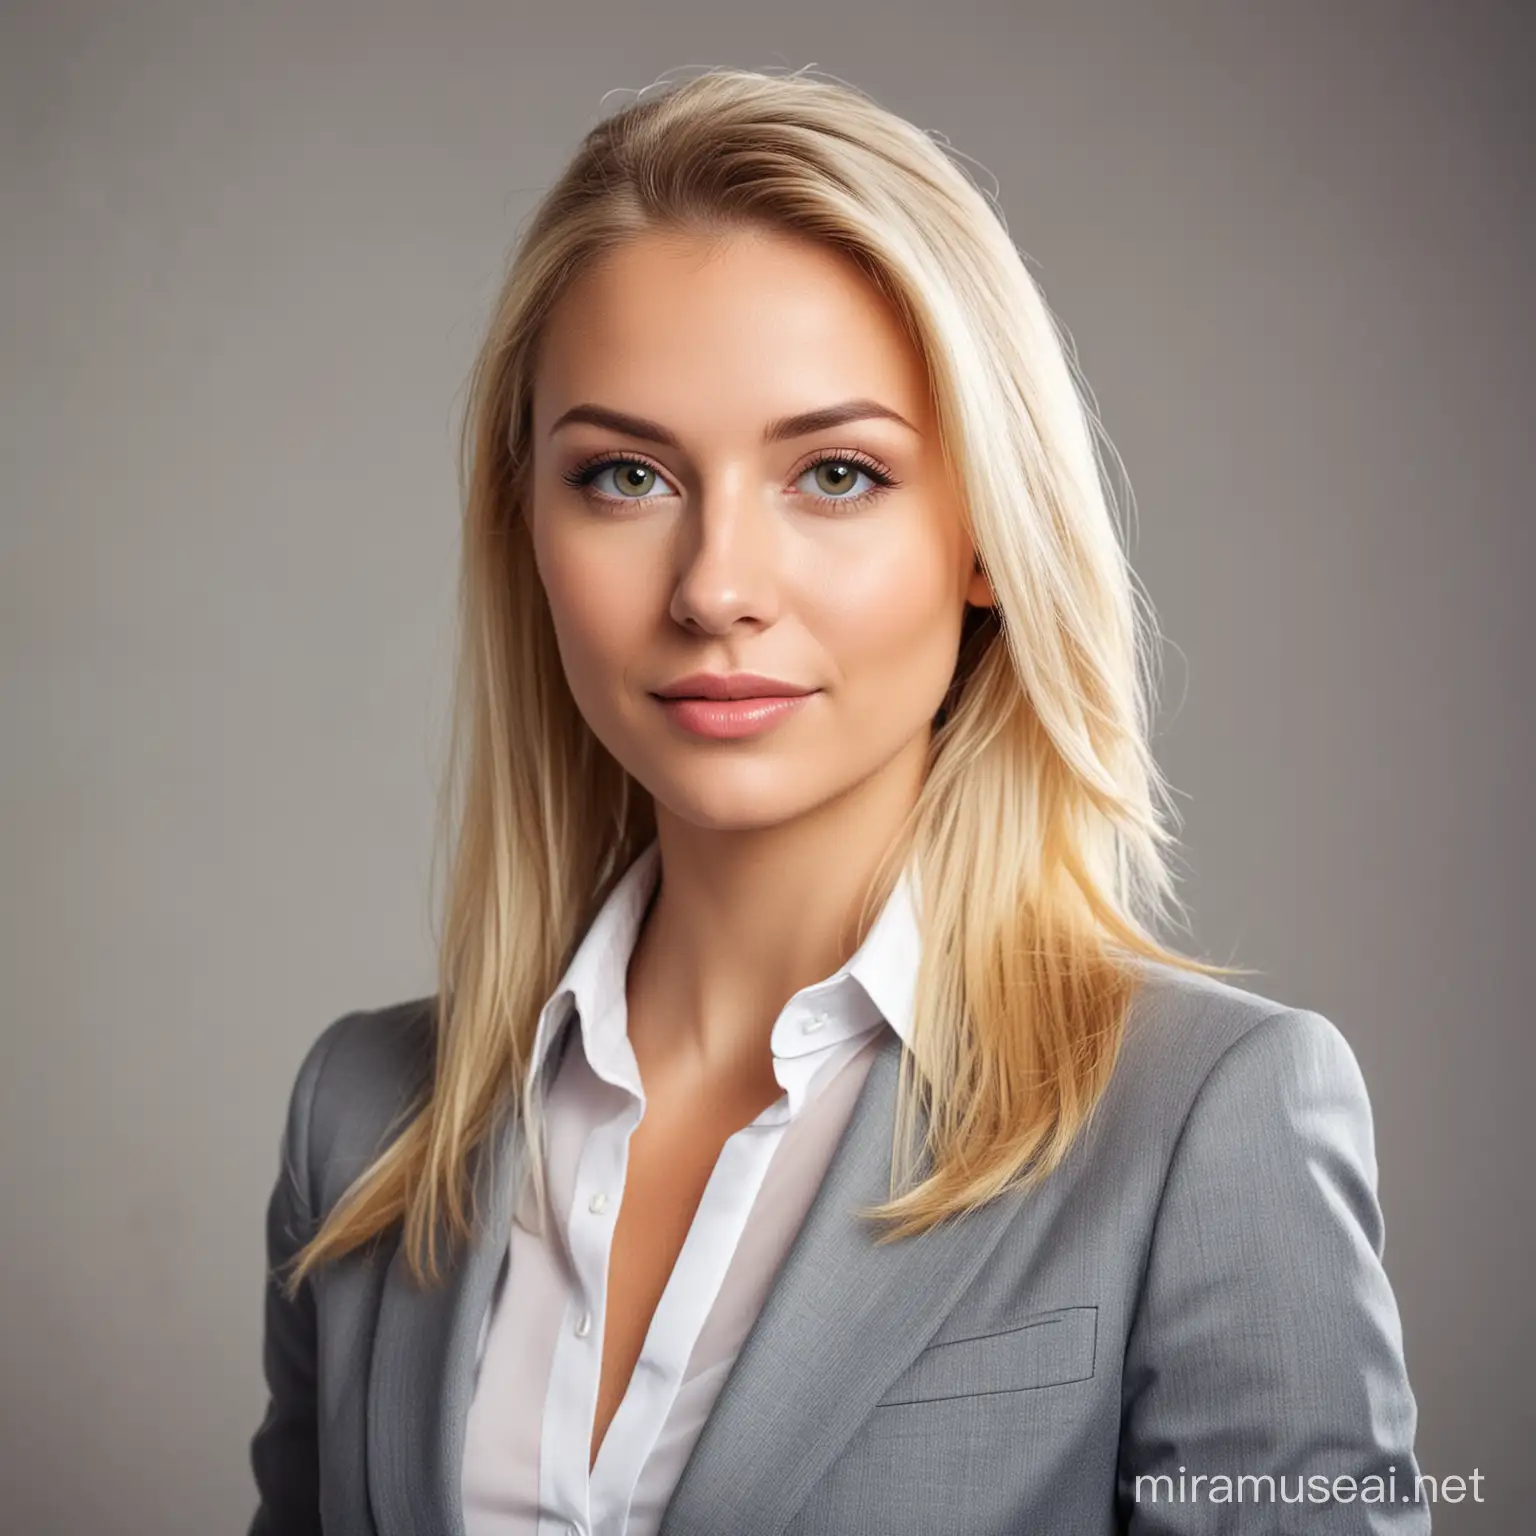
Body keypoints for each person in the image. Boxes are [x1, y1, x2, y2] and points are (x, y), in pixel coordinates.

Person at [248, 67, 1427, 1536]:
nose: (716, 589)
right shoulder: (364, 1123)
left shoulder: (1206, 1119)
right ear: (526, 532)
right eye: (623, 475)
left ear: (988, 532)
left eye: (836, 473)